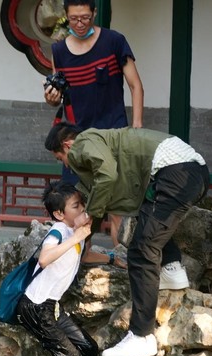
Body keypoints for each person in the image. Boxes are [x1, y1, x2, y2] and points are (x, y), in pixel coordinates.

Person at [45, 123, 209, 356]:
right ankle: (172, 270)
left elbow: (106, 176)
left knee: (142, 252)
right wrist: (85, 238)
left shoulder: (84, 143)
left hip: (176, 173)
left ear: (67, 145)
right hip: (191, 172)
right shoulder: (104, 142)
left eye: (62, 158)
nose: (66, 165)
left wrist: (89, 214)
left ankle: (141, 336)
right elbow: (97, 191)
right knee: (149, 222)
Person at [43, 0, 144, 248]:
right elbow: (57, 93)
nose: (80, 24)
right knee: (74, 203)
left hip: (113, 134)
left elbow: (135, 85)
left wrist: (137, 126)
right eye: (75, 18)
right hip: (75, 141)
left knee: (118, 204)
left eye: (85, 18)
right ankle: (76, 260)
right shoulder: (59, 51)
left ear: (94, 13)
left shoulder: (114, 42)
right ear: (66, 16)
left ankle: (121, 261)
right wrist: (50, 97)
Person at [15, 181, 99, 356]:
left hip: (51, 306)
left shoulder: (74, 233)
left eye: (82, 205)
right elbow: (44, 258)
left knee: (89, 348)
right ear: (59, 214)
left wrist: (113, 259)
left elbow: (83, 256)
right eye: (76, 207)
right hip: (34, 306)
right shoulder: (59, 231)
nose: (82, 210)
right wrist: (77, 235)